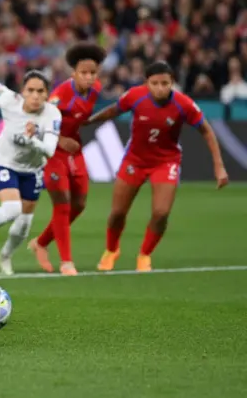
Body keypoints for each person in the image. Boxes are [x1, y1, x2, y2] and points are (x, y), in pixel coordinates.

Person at [86, 61, 229, 271]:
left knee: (161, 213)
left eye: (165, 83)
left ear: (172, 83)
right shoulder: (135, 96)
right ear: (147, 83)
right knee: (117, 213)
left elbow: (206, 130)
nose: (160, 88)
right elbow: (114, 111)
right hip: (135, 159)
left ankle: (144, 255)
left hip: (166, 161)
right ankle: (111, 249)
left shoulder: (184, 104)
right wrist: (89, 121)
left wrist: (219, 166)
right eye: (155, 83)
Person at [27, 42, 106, 276]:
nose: (89, 77)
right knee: (62, 205)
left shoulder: (96, 91)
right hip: (53, 151)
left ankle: (40, 243)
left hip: (75, 150)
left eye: (93, 73)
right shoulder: (60, 95)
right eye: (84, 73)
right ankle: (67, 262)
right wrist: (60, 140)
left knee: (79, 205)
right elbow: (37, 122)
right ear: (74, 73)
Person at [0, 71, 61, 275]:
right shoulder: (10, 101)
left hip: (32, 169)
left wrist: (31, 140)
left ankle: (5, 256)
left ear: (47, 94)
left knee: (24, 224)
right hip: (4, 161)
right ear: (22, 92)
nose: (35, 96)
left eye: (41, 91)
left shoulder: (52, 114)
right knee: (13, 209)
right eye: (30, 90)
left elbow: (49, 150)